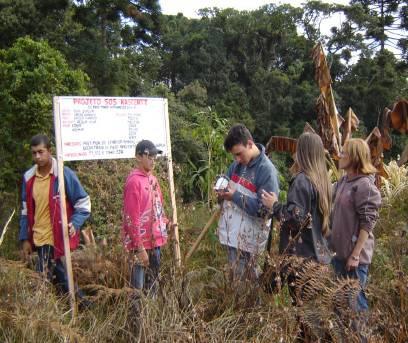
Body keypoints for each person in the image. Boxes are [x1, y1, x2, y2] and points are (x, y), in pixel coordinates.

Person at [19, 134, 91, 295]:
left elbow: (84, 202)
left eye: (41, 151)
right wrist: (25, 238)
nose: (37, 156)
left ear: (49, 151)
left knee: (44, 282)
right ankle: (85, 310)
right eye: (34, 153)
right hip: (38, 237)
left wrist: (75, 223)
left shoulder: (64, 174)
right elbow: (25, 210)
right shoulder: (28, 177)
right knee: (61, 281)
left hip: (59, 237)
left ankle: (84, 309)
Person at [217, 124, 279, 281]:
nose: (237, 159)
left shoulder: (266, 171)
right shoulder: (237, 165)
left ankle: (255, 306)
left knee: (246, 287)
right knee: (237, 283)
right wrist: (221, 185)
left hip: (249, 240)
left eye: (239, 154)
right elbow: (228, 177)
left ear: (250, 144)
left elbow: (265, 211)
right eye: (234, 156)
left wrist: (234, 196)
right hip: (233, 236)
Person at [330, 138, 381, 313]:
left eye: (344, 152)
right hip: (339, 256)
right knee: (338, 308)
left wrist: (356, 254)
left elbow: (368, 223)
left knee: (356, 309)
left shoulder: (365, 186)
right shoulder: (344, 181)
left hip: (354, 261)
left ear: (354, 156)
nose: (340, 155)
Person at [122, 140, 169, 295]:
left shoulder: (153, 179)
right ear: (138, 157)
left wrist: (166, 224)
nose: (153, 160)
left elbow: (159, 207)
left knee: (153, 284)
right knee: (138, 289)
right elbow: (131, 218)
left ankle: (152, 318)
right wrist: (139, 248)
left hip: (155, 241)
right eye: (149, 156)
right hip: (140, 244)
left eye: (154, 156)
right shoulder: (134, 182)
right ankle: (137, 319)